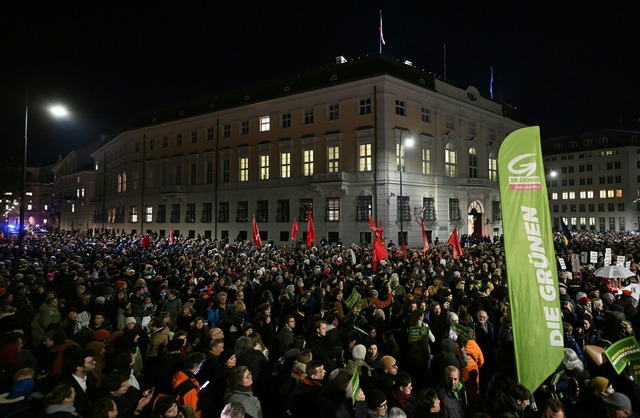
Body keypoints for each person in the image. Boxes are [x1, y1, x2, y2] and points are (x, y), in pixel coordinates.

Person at [171, 352, 205, 417]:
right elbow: (192, 411)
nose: (200, 368)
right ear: (195, 365)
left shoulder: (179, 375)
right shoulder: (190, 387)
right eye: (200, 366)